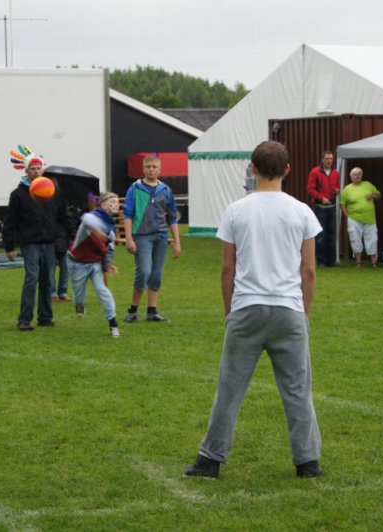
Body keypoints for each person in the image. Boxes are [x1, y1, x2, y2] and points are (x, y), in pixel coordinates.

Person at [185, 140, 323, 479]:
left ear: (253, 168)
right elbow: (308, 270)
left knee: (229, 388)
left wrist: (229, 310)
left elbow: (227, 269)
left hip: (247, 308)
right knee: (297, 390)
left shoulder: (236, 210)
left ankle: (209, 460)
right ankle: (307, 462)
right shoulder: (302, 211)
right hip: (289, 310)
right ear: (287, 169)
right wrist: (304, 314)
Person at [3, 153, 73, 331]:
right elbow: (10, 221)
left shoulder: (53, 191)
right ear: (26, 172)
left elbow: (63, 215)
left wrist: (73, 235)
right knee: (32, 278)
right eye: (32, 169)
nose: (35, 171)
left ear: (43, 170)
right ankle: (24, 319)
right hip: (30, 243)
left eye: (38, 168)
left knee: (47, 281)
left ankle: (45, 317)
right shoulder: (18, 194)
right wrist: (9, 246)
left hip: (49, 242)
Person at [122, 155, 181, 323]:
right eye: (148, 167)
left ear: (160, 169)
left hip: (161, 236)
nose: (151, 170)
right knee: (144, 271)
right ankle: (133, 310)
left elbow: (172, 217)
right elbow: (128, 214)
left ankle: (152, 311)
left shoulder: (166, 190)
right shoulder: (135, 188)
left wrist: (177, 241)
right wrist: (128, 239)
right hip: (141, 236)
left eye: (154, 167)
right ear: (143, 169)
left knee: (156, 274)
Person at [68, 192, 121, 338]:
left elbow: (110, 249)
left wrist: (108, 264)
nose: (116, 204)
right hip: (77, 262)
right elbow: (86, 218)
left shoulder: (111, 229)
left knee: (103, 291)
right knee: (79, 297)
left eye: (117, 202)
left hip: (95, 263)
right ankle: (79, 305)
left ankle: (113, 324)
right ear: (103, 205)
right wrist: (98, 231)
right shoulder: (92, 217)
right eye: (112, 201)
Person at [340, 167, 381, 268]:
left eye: (359, 174)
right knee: (355, 239)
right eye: (355, 174)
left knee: (372, 239)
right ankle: (358, 263)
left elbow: (379, 195)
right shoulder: (347, 189)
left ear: (361, 176)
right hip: (354, 218)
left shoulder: (368, 185)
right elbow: (342, 204)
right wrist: (347, 216)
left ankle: (374, 263)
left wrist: (373, 195)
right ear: (351, 177)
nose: (357, 176)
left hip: (369, 218)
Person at [306, 150, 340, 267]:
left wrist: (337, 190)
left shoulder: (335, 172)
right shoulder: (315, 172)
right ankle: (321, 261)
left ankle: (331, 261)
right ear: (322, 159)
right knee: (321, 234)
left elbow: (337, 186)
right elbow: (310, 189)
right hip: (320, 207)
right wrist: (321, 198)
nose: (329, 161)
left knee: (331, 234)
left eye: (331, 159)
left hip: (332, 206)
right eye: (327, 159)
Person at [50, 178, 71, 302]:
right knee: (51, 267)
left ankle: (62, 291)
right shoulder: (43, 201)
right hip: (50, 238)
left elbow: (66, 218)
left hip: (62, 237)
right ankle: (52, 292)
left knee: (65, 266)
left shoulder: (63, 200)